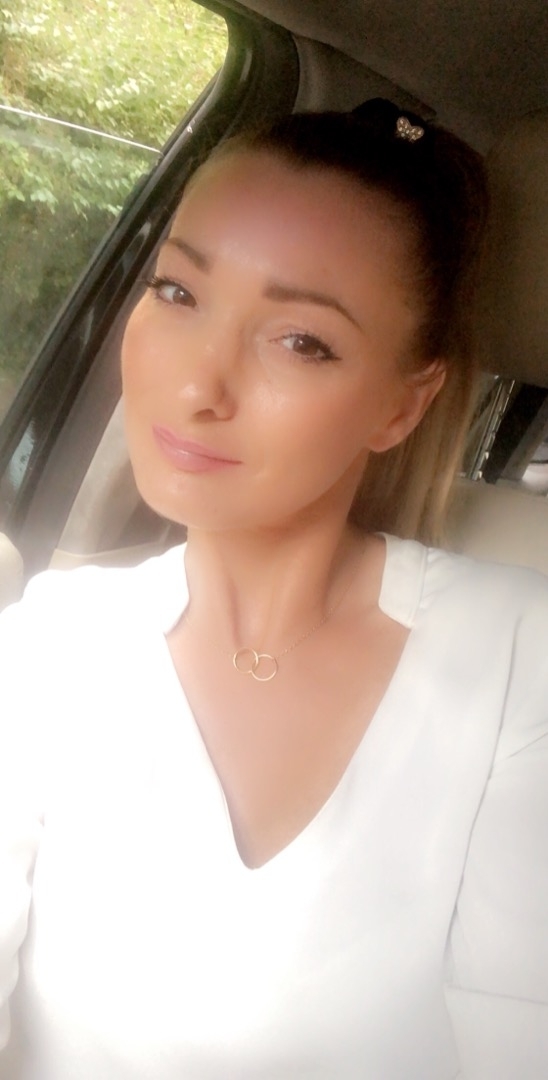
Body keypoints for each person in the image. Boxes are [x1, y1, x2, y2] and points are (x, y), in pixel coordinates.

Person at [0, 98, 547, 1080]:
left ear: (402, 403)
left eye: (300, 341)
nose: (195, 386)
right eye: (177, 291)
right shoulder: (52, 643)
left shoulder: (517, 657)